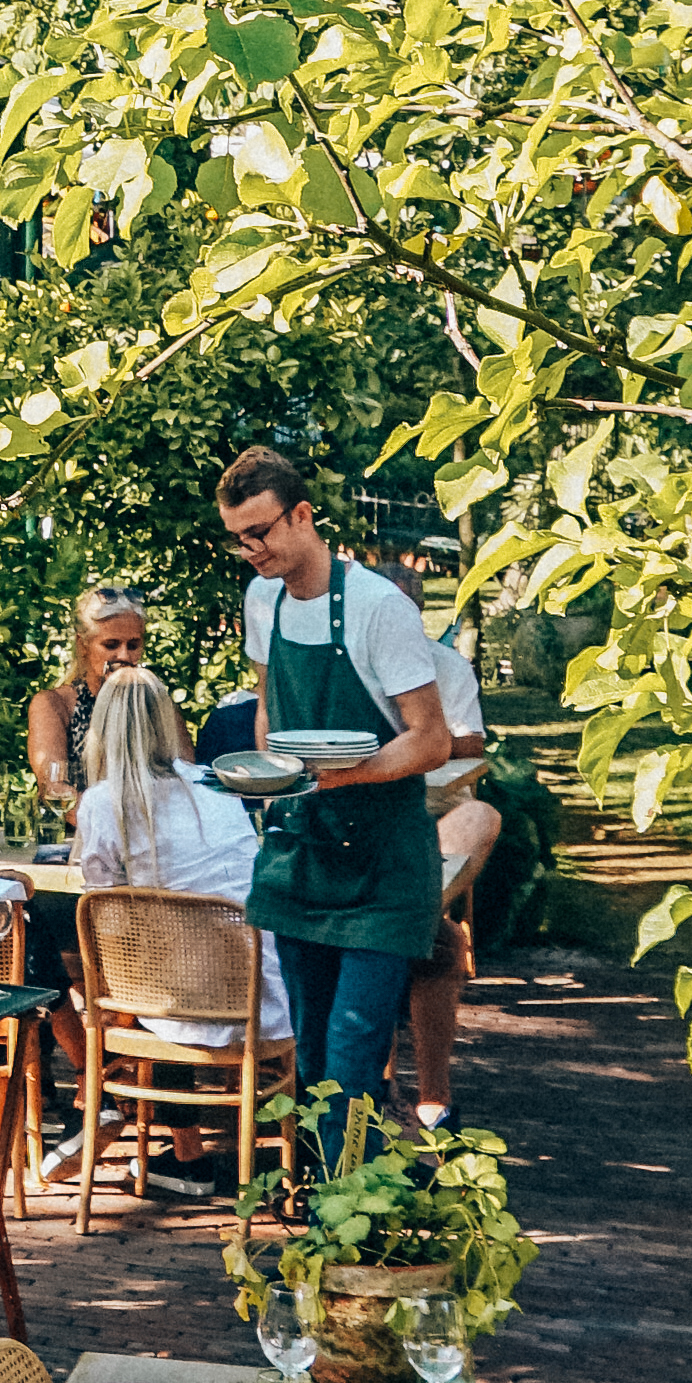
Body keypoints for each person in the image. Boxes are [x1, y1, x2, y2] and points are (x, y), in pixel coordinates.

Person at [213, 443, 452, 1142]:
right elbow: (269, 711)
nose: (251, 549)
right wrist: (269, 774)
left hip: (381, 863)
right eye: (238, 539)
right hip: (300, 852)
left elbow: (431, 740)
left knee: (351, 1063)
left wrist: (347, 773)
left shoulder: (380, 608)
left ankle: (354, 1228)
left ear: (303, 516)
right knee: (311, 1057)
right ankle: (331, 1221)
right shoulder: (264, 601)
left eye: (259, 532)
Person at [75, 665, 294, 1049]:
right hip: (262, 997)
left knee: (78, 971)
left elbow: (105, 919)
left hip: (171, 1005)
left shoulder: (101, 802)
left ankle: (125, 1099)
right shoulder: (214, 784)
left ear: (101, 728)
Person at [379, 542, 498, 1131]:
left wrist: (418, 747)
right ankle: (422, 1094)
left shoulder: (446, 666)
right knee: (435, 942)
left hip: (432, 809)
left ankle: (411, 912)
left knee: (482, 820)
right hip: (364, 821)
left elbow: (471, 746)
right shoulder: (355, 662)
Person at [24, 588, 152, 815]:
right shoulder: (54, 704)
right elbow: (55, 788)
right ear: (83, 645)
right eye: (111, 645)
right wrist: (116, 825)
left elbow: (186, 780)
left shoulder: (155, 705)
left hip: (146, 839)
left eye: (133, 645)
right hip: (76, 841)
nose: (124, 656)